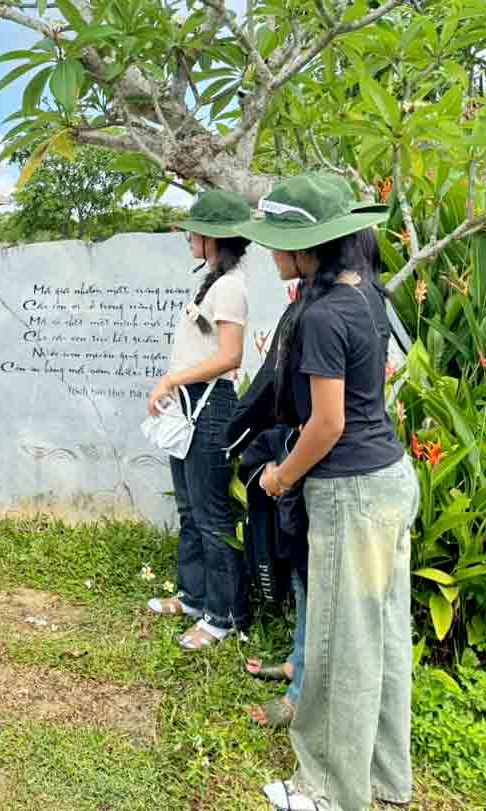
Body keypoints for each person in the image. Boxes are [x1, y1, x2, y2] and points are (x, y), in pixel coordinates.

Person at [235, 174, 418, 811]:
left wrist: (281, 476)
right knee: (383, 640)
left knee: (340, 648)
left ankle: (326, 790)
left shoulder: (319, 315)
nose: (269, 251)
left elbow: (327, 424)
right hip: (390, 479)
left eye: (277, 240)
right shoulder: (365, 294)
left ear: (307, 245)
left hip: (352, 496)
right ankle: (386, 779)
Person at [146, 189, 252, 650]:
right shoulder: (214, 281)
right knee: (191, 509)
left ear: (214, 237)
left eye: (195, 231)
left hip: (210, 406)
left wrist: (171, 380)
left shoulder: (229, 286)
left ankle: (222, 616)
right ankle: (192, 597)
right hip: (191, 403)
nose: (189, 237)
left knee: (211, 514)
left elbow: (230, 356)